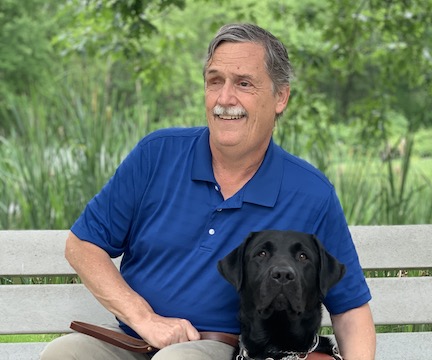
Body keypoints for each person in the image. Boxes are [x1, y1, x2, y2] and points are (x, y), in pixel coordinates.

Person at [40, 23, 375, 360]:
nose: (225, 99)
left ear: (280, 97)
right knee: (64, 353)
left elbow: (349, 311)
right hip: (135, 338)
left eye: (243, 83)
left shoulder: (310, 192)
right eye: (215, 81)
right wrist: (144, 319)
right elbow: (82, 246)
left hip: (223, 348)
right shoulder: (157, 154)